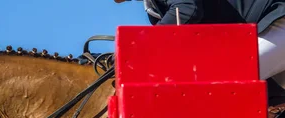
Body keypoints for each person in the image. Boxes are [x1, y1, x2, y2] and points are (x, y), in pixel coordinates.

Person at [116, 0, 285, 88]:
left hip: (275, 20)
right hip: (257, 33)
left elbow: (188, 8)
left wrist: (142, 42)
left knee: (222, 83)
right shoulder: (153, 9)